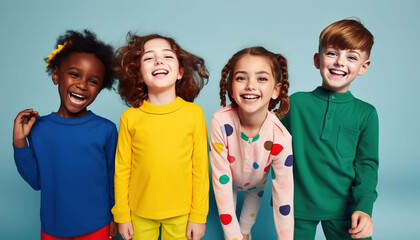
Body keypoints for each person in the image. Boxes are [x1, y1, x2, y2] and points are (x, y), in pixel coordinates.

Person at [13, 30, 118, 239]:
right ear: (55, 75)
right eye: (74, 74)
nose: (82, 85)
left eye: (93, 81)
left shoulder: (106, 129)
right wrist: (19, 142)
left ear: (100, 88)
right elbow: (36, 181)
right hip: (53, 229)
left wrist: (116, 216)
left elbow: (114, 176)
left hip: (97, 226)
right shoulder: (38, 128)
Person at [282, 18, 378, 239]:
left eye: (351, 57)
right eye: (332, 53)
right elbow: (267, 142)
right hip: (296, 205)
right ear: (317, 59)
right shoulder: (295, 104)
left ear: (363, 66)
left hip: (346, 208)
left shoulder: (366, 114)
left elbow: (367, 166)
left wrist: (364, 207)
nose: (339, 62)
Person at [112, 33, 210, 240]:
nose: (158, 60)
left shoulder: (194, 114)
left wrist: (199, 215)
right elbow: (122, 170)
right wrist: (121, 215)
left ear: (180, 73)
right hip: (138, 213)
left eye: (167, 56)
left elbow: (200, 169)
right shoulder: (129, 117)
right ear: (139, 75)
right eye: (148, 57)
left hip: (182, 215)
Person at [210, 46, 294, 240]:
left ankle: (246, 232)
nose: (250, 85)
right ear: (230, 86)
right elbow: (221, 185)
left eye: (262, 78)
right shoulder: (220, 122)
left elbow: (284, 195)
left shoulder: (281, 138)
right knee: (232, 232)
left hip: (257, 183)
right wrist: (233, 237)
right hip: (227, 180)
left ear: (276, 90)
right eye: (241, 78)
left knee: (246, 226)